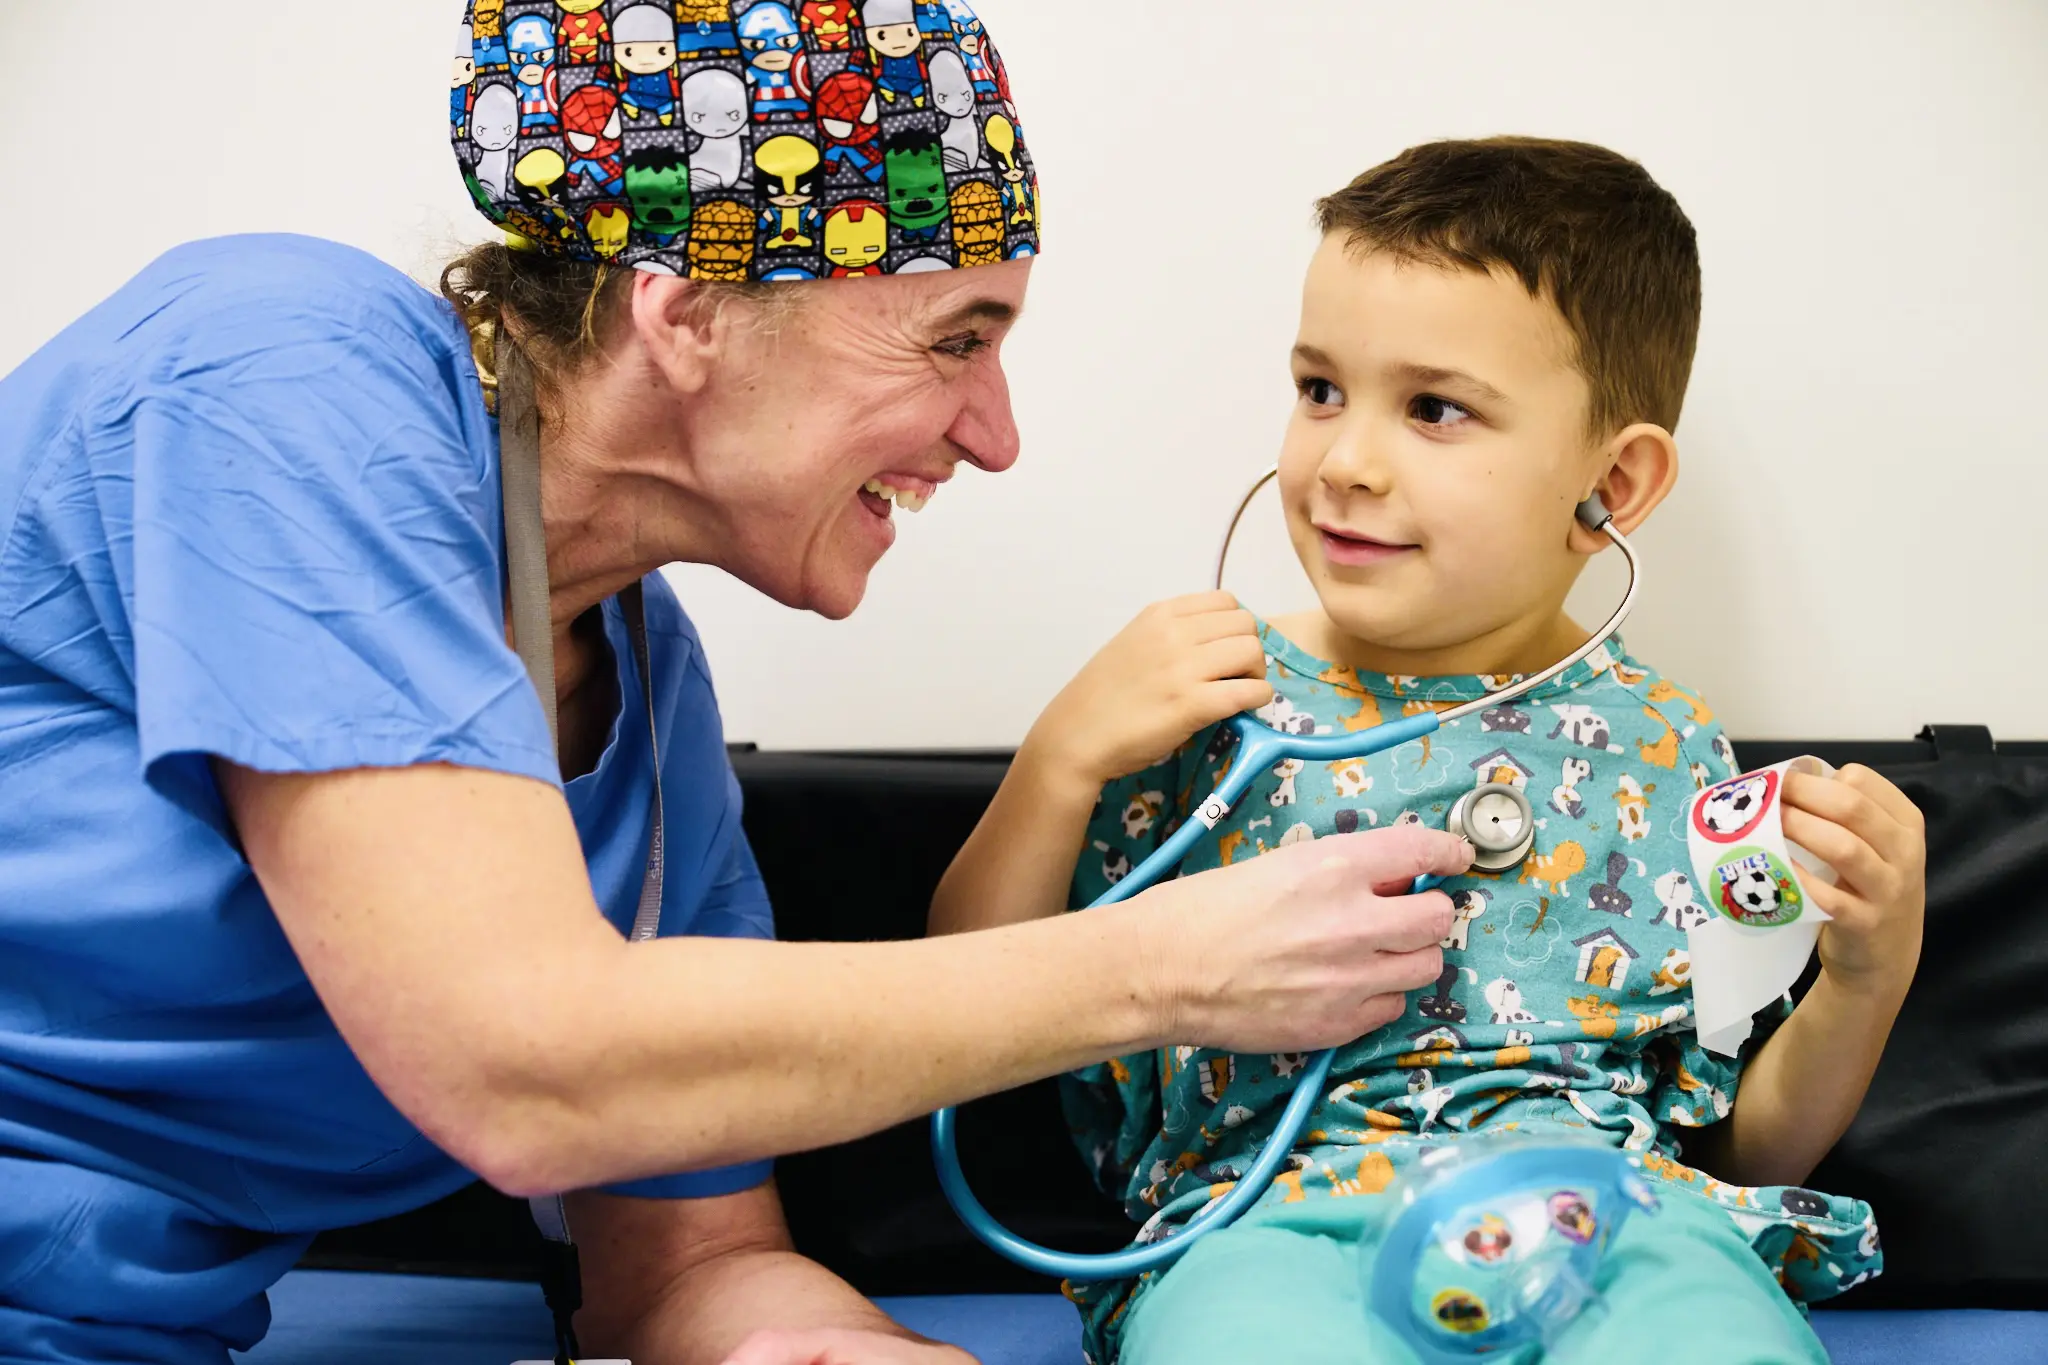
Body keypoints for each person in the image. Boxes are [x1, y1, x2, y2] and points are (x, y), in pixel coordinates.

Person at [0, 7, 1481, 1365]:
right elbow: (521, 1065)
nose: (996, 434)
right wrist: (1158, 968)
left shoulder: (642, 699)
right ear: (686, 309)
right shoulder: (278, 372)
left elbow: (685, 1272)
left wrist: (858, 1354)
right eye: (956, 338)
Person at [931, 138, 1928, 1365]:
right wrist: (1061, 760)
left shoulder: (1669, 748)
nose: (1344, 460)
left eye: (1433, 409)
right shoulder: (1202, 699)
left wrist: (1864, 977)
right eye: (1317, 390)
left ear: (1610, 482)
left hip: (1614, 1219)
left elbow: (1732, 1154)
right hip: (1269, 1233)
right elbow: (955, 1003)